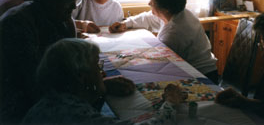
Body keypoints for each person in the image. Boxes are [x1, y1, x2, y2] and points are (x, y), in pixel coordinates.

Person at [23, 38, 187, 124]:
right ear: (81, 76)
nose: (102, 73)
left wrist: (100, 86)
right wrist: (171, 103)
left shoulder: (53, 100)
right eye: (96, 65)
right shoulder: (76, 114)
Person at [0, 0, 83, 123]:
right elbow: (34, 83)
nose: (74, 6)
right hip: (19, 108)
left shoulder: (62, 20)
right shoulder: (16, 23)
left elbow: (70, 66)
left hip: (47, 96)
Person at [109, 0, 218, 84]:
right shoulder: (179, 13)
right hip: (204, 69)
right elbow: (148, 18)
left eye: (152, 1)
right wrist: (125, 24)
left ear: (165, 9)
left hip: (201, 76)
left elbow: (159, 63)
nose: (149, 3)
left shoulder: (174, 33)